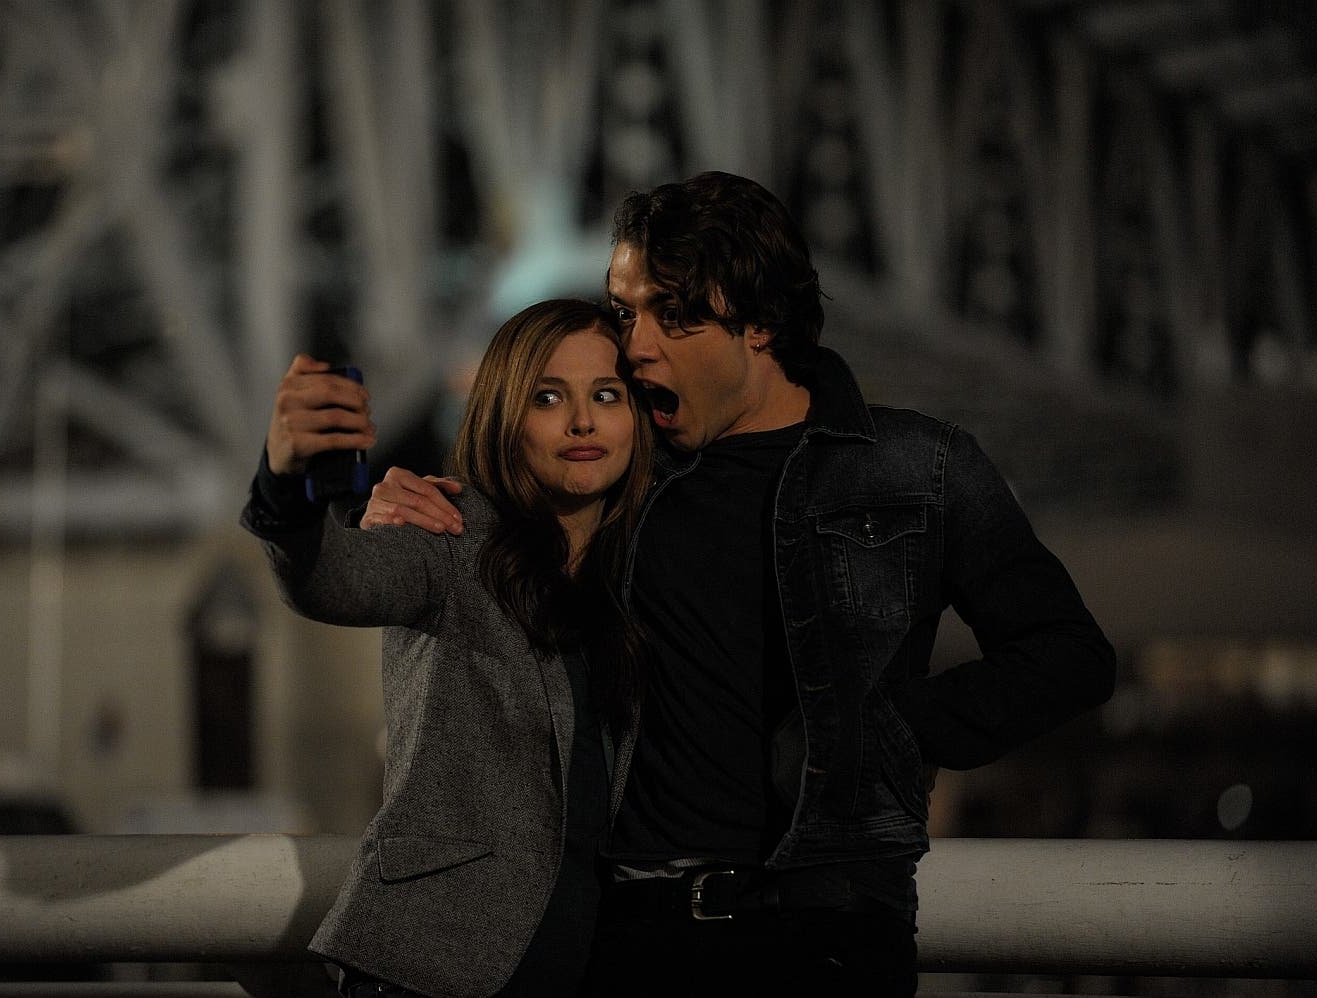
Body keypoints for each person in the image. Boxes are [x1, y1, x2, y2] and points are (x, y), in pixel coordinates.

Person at [361, 172, 1116, 996]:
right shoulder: (620, 470)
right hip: (631, 938)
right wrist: (409, 505)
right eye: (626, 311)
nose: (634, 345)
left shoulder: (919, 467)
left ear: (759, 322)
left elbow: (1068, 653)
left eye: (671, 314)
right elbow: (490, 534)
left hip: (828, 936)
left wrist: (896, 732)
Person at [240, 298, 653, 998]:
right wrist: (286, 486)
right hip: (432, 967)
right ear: (502, 415)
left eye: (607, 396)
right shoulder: (449, 532)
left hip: (586, 967)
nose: (583, 421)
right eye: (548, 397)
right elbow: (332, 581)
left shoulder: (645, 568)